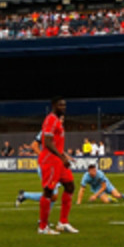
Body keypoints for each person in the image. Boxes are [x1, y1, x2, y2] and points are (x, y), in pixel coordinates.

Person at [36, 97, 77, 235]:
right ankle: (42, 227)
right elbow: (47, 142)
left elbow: (56, 142)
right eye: (60, 105)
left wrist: (64, 156)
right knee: (48, 192)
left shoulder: (58, 121)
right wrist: (61, 157)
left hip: (58, 161)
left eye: (64, 105)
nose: (63, 107)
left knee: (70, 186)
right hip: (50, 161)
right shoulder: (51, 119)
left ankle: (63, 222)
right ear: (54, 105)